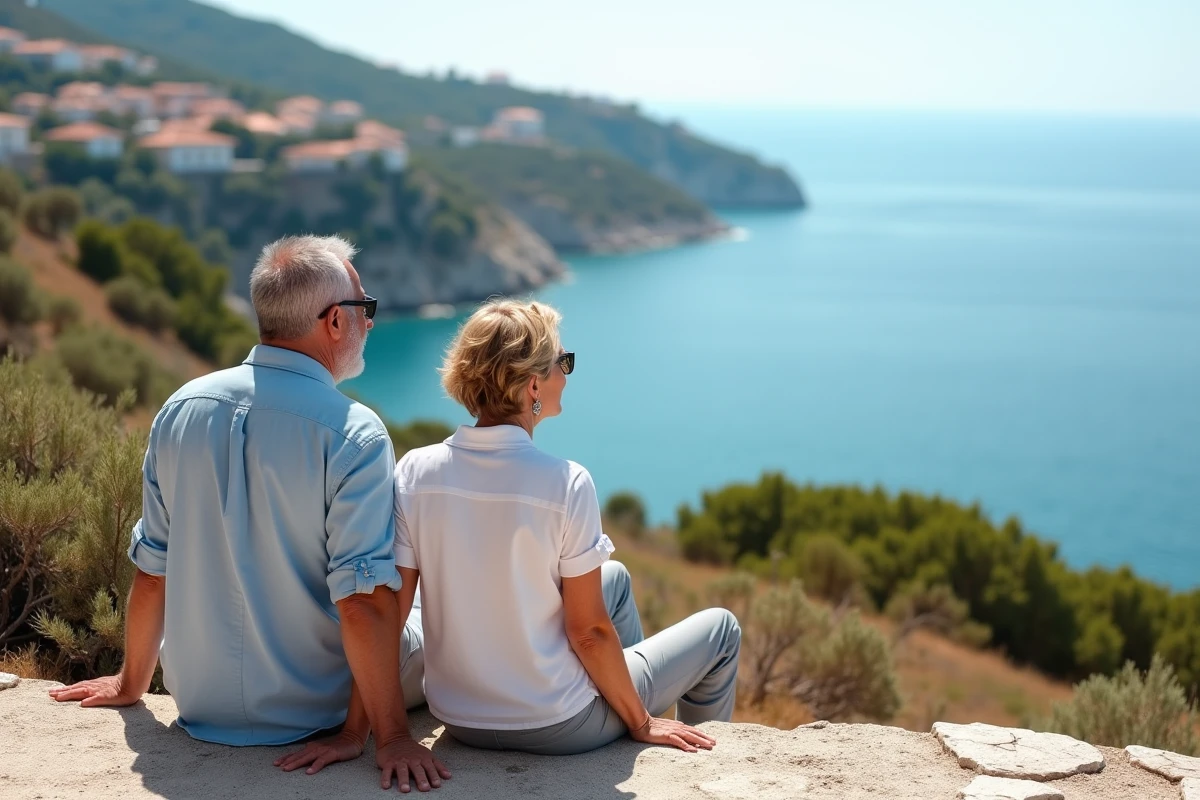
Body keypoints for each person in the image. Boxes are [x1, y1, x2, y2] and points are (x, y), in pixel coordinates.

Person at [49, 235, 448, 793]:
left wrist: (130, 682)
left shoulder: (179, 409)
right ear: (335, 321)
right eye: (365, 309)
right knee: (430, 604)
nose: (372, 323)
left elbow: (152, 567)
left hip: (200, 702)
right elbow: (360, 606)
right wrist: (392, 737)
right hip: (318, 706)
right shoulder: (354, 433)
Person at [291, 298, 741, 763]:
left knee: (617, 580)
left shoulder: (416, 471)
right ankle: (664, 739)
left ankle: (626, 719)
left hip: (462, 719)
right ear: (532, 386)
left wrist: (355, 733)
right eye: (562, 363)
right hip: (560, 723)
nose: (567, 373)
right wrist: (642, 721)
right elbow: (587, 632)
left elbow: (391, 611)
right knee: (722, 630)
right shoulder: (567, 483)